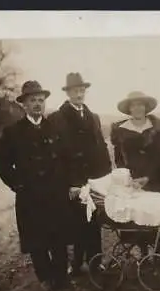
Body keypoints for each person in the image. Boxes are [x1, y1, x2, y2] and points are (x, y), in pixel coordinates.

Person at [0, 80, 73, 291]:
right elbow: (1, 164)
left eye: (40, 100)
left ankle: (61, 277)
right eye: (32, 100)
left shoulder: (55, 127)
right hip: (30, 196)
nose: (37, 104)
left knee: (58, 236)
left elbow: (67, 158)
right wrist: (18, 184)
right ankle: (45, 277)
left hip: (55, 194)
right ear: (24, 105)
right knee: (36, 239)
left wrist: (67, 183)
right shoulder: (13, 132)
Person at [48, 72, 112, 277]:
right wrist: (70, 183)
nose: (79, 94)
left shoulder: (93, 117)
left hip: (94, 179)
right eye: (75, 90)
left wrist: (105, 176)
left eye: (82, 90)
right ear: (68, 93)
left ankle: (95, 262)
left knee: (93, 221)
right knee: (75, 223)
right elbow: (56, 154)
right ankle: (76, 264)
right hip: (73, 181)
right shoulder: (57, 118)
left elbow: (101, 147)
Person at [110, 91, 160, 256]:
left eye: (140, 105)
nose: (138, 108)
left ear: (146, 107)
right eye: (134, 105)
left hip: (155, 178)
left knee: (155, 215)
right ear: (129, 108)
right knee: (136, 218)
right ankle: (142, 251)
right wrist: (128, 178)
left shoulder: (158, 127)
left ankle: (157, 252)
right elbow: (119, 159)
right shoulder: (120, 130)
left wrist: (149, 177)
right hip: (132, 180)